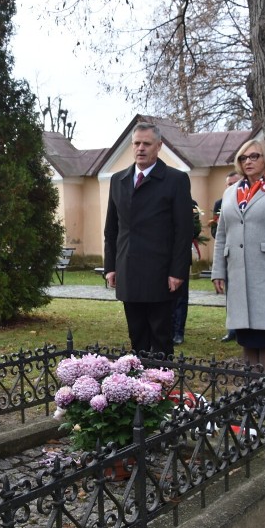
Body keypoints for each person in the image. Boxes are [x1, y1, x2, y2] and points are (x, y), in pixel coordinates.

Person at [104, 122, 193, 357]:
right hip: (128, 271)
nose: (140, 148)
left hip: (160, 274)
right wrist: (110, 267)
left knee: (161, 338)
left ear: (159, 146)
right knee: (137, 336)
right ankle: (140, 388)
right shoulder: (118, 180)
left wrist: (177, 271)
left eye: (146, 143)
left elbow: (183, 231)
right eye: (136, 143)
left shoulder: (175, 180)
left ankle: (163, 386)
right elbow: (111, 229)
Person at [210, 139, 265, 373]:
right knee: (246, 338)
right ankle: (251, 397)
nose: (247, 161)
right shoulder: (231, 192)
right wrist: (218, 271)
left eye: (254, 156)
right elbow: (222, 235)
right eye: (242, 158)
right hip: (238, 277)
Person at [211, 171, 241, 342]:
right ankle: (232, 329)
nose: (232, 186)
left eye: (235, 183)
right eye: (229, 184)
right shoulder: (221, 203)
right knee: (230, 294)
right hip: (228, 253)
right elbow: (217, 230)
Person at [171, 198, 202, 345]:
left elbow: (195, 229)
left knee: (180, 296)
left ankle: (178, 332)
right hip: (159, 257)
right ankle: (167, 329)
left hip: (180, 256)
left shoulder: (190, 203)